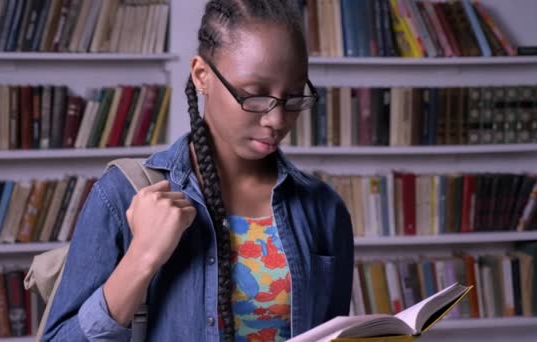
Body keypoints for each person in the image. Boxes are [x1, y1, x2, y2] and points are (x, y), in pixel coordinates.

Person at [42, 1, 354, 341]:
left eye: (293, 97)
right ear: (202, 76)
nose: (276, 120)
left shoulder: (324, 208)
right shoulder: (123, 194)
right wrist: (143, 257)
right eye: (254, 95)